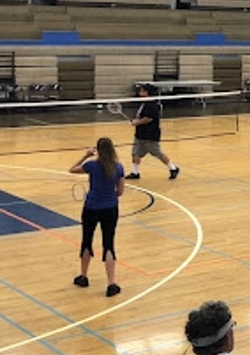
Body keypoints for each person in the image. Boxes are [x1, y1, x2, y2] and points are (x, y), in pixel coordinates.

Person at [70, 137, 125, 297]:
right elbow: (120, 192)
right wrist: (110, 196)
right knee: (108, 244)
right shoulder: (118, 167)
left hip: (91, 207)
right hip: (110, 209)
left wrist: (86, 155)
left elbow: (72, 169)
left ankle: (83, 276)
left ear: (98, 150)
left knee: (87, 240)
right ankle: (111, 284)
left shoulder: (91, 165)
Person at [126, 84, 180, 181]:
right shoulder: (144, 103)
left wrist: (137, 122)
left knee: (157, 153)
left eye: (142, 90)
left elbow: (148, 119)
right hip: (140, 134)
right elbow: (142, 116)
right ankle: (135, 173)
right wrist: (135, 120)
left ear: (146, 92)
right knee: (135, 153)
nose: (139, 92)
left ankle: (173, 168)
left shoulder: (152, 105)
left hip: (150, 135)